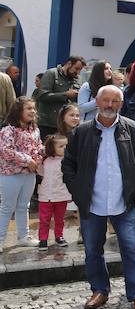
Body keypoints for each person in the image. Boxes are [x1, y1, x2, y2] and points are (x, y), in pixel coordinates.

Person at [62, 86, 135, 309]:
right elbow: (68, 165)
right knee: (93, 249)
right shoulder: (81, 132)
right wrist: (77, 189)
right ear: (97, 102)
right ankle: (99, 290)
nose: (110, 105)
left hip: (123, 201)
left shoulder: (133, 129)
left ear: (121, 104)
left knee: (132, 248)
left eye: (114, 101)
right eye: (106, 101)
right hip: (92, 202)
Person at [0, 97, 43, 252]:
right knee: (7, 207)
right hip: (10, 174)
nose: (33, 111)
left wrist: (38, 159)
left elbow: (39, 147)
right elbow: (6, 151)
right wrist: (28, 160)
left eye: (34, 108)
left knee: (24, 206)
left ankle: (23, 236)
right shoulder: (8, 130)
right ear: (19, 111)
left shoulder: (35, 130)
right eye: (28, 108)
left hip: (29, 174)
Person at [33, 56, 86, 138]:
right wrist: (65, 95)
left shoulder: (78, 79)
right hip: (49, 124)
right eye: (76, 68)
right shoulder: (52, 74)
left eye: (80, 70)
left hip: (66, 126)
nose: (78, 72)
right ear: (69, 64)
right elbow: (42, 95)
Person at [37, 134, 71, 251]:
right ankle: (43, 239)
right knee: (44, 219)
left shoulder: (67, 161)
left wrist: (70, 194)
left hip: (61, 195)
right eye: (61, 146)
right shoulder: (45, 161)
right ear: (52, 148)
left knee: (60, 219)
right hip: (45, 196)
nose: (65, 148)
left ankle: (59, 236)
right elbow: (40, 173)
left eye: (66, 145)